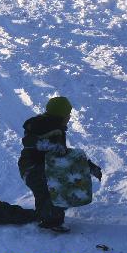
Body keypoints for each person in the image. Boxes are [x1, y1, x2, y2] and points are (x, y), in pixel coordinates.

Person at [17, 96, 102, 229]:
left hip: (41, 167)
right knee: (51, 187)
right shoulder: (42, 125)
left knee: (58, 182)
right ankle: (49, 220)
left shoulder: (56, 127)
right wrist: (48, 146)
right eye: (67, 114)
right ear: (60, 115)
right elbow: (28, 141)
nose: (69, 117)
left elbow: (67, 155)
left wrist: (88, 166)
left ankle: (48, 216)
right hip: (32, 168)